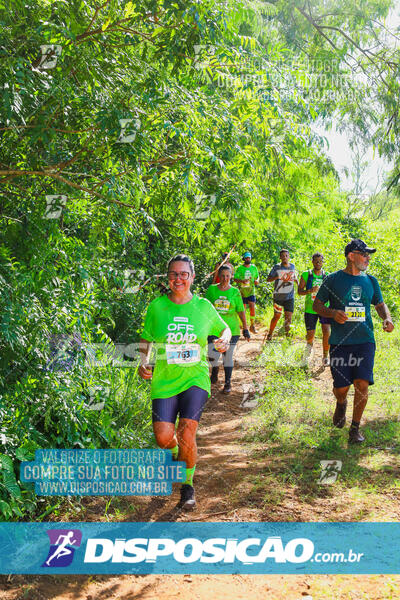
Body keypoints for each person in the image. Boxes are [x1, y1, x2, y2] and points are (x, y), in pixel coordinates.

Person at [138, 254, 231, 510]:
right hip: (165, 379)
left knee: (187, 429)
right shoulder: (157, 307)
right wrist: (143, 362)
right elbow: (146, 339)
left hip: (195, 377)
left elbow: (225, 329)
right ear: (167, 277)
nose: (178, 279)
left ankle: (187, 486)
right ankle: (174, 456)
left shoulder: (203, 306)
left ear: (191, 277)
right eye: (173, 274)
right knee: (163, 437)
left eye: (183, 274)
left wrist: (224, 338)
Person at [313, 239, 394, 444]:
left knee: (362, 384)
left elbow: (380, 304)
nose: (368, 258)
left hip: (365, 340)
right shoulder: (333, 280)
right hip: (340, 342)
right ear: (351, 256)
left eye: (369, 255)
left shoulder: (371, 281)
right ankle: (341, 403)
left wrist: (387, 318)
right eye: (364, 254)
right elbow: (317, 304)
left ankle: (354, 428)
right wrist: (332, 313)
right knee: (342, 388)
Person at [206, 265, 251, 393]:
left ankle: (227, 383)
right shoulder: (211, 290)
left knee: (227, 355)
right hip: (214, 328)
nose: (225, 279)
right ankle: (214, 371)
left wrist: (245, 328)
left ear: (231, 276)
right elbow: (206, 309)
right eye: (223, 276)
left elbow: (241, 310)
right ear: (219, 276)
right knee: (213, 354)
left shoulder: (235, 292)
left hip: (232, 329)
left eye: (228, 276)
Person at [298, 252, 331, 365]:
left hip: (324, 309)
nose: (318, 263)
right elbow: (299, 291)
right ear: (312, 262)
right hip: (310, 309)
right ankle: (309, 349)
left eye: (320, 261)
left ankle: (325, 356)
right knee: (310, 335)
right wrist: (309, 291)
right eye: (316, 261)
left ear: (323, 262)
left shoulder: (327, 276)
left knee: (327, 332)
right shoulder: (306, 275)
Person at [266, 249, 298, 339]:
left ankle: (287, 339)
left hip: (289, 296)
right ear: (280, 257)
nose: (285, 257)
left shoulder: (292, 266)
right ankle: (270, 333)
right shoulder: (277, 267)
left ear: (289, 256)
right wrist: (277, 277)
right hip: (278, 297)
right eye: (283, 256)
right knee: (277, 316)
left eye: (286, 256)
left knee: (288, 318)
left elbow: (295, 277)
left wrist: (297, 283)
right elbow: (268, 279)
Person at [234, 251, 260, 333]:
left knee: (252, 307)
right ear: (244, 259)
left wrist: (257, 281)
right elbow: (235, 279)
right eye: (246, 258)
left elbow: (257, 277)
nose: (248, 259)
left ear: (251, 258)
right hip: (242, 292)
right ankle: (244, 327)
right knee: (243, 310)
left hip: (251, 291)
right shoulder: (240, 268)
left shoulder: (254, 268)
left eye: (249, 257)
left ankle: (252, 325)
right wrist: (242, 281)